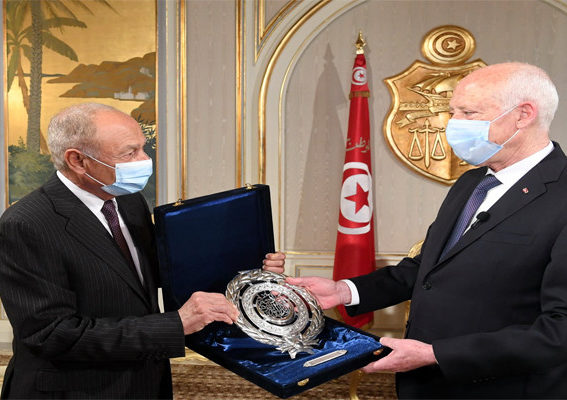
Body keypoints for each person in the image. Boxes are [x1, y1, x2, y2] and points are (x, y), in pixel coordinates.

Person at [288, 62, 567, 398]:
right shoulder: (472, 182)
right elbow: (428, 269)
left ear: (523, 115)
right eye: (453, 112)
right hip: (425, 385)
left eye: (468, 112)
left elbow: (559, 332)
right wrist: (345, 291)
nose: (453, 124)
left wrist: (437, 354)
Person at [0, 103, 285, 399]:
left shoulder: (127, 200)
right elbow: (51, 334)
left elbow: (152, 271)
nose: (145, 160)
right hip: (75, 390)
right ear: (78, 160)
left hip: (144, 380)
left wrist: (249, 267)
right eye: (129, 153)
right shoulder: (26, 224)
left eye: (143, 148)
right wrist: (175, 324)